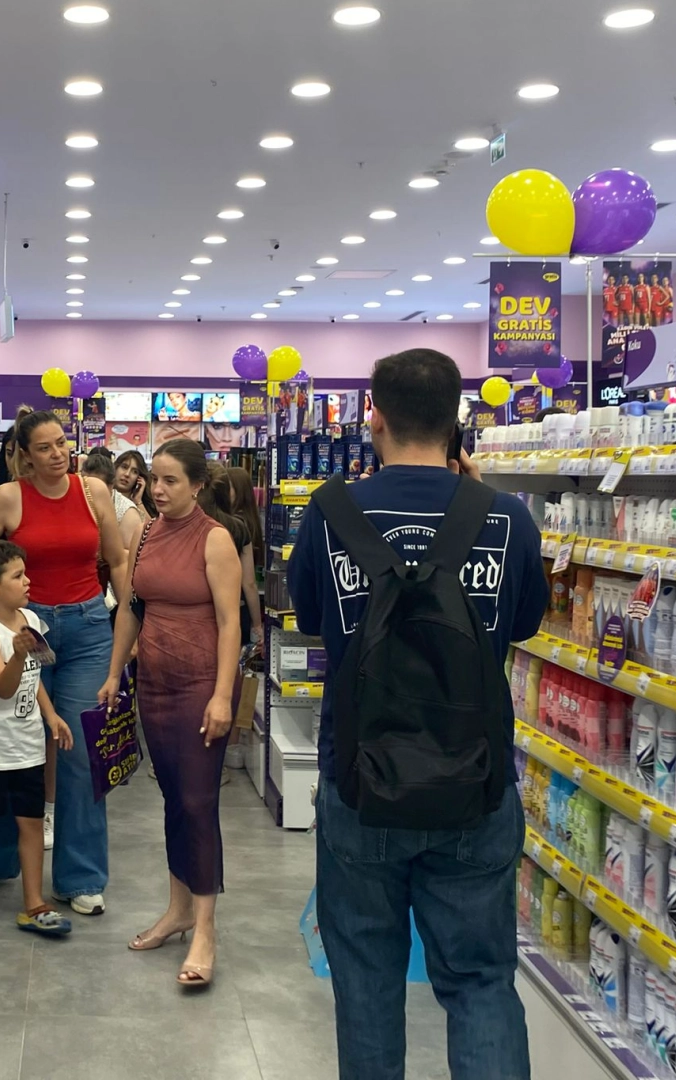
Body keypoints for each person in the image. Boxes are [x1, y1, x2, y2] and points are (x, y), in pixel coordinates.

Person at [286, 348, 548, 1079]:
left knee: (366, 981)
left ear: (373, 416)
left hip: (359, 780)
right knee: (480, 981)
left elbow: (312, 618)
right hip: (476, 782)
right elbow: (523, 623)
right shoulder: (505, 517)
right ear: (457, 420)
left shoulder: (330, 513)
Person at [0, 409, 130, 916]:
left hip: (87, 629)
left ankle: (80, 877)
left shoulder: (93, 492)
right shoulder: (7, 497)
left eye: (61, 443)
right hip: (22, 630)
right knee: (8, 742)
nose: (57, 454)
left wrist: (131, 623)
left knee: (79, 749)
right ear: (24, 455)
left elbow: (118, 560)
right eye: (44, 447)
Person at [99, 437, 241, 987]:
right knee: (174, 799)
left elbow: (230, 623)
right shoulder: (147, 532)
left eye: (170, 480)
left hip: (202, 685)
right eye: (153, 478)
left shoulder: (215, 540)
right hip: (154, 687)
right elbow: (132, 608)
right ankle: (178, 908)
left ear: (197, 485)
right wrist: (115, 673)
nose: (156, 489)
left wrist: (223, 695)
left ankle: (205, 928)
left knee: (199, 802)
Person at [0, 540, 75, 938]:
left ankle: (34, 904)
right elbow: (3, 686)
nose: (27, 581)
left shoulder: (32, 620)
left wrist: (50, 714)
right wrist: (19, 654)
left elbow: (34, 677)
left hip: (28, 748)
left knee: (32, 822)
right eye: (17, 576)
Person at [202, 467, 263, 646]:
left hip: (199, 613)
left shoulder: (193, 525)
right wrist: (257, 624)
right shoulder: (238, 528)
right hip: (234, 609)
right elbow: (249, 583)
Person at [114, 449, 152, 518]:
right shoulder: (103, 495)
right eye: (124, 467)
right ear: (116, 468)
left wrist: (138, 500)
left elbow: (150, 525)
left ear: (139, 478)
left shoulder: (142, 505)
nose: (127, 474)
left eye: (134, 472)